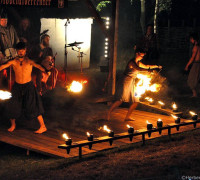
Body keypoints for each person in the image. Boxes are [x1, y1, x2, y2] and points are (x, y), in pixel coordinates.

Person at [0, 42, 47, 133]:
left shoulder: (29, 61)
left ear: (25, 51)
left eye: (23, 50)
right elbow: (2, 66)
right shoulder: (13, 61)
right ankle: (13, 125)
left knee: (33, 106)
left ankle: (43, 126)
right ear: (17, 51)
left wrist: (47, 70)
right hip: (17, 86)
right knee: (12, 105)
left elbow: (39, 67)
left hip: (28, 86)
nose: (21, 52)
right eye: (19, 50)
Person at [107, 48, 162, 121]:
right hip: (125, 81)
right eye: (141, 56)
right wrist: (148, 70)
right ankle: (108, 113)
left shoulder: (138, 62)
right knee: (120, 100)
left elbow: (146, 66)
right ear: (137, 54)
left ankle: (127, 117)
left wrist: (156, 66)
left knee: (136, 101)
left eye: (143, 57)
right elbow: (138, 69)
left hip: (132, 82)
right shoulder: (132, 62)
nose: (142, 58)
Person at [185, 33, 200, 97]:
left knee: (191, 79)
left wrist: (187, 65)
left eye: (191, 39)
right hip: (197, 64)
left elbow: (192, 58)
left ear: (193, 39)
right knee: (196, 78)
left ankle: (194, 94)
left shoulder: (196, 47)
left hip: (196, 64)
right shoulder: (198, 46)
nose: (190, 41)